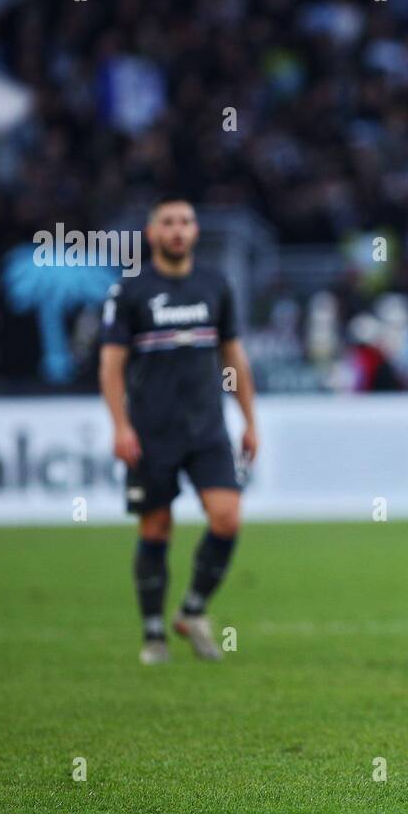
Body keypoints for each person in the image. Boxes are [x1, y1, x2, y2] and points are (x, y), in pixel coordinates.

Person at [99, 198, 258, 665]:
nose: (177, 230)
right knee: (157, 526)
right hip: (151, 432)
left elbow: (234, 357)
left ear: (194, 231)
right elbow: (110, 367)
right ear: (152, 233)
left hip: (208, 428)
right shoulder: (130, 292)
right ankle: (153, 635)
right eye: (168, 222)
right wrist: (120, 426)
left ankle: (191, 611)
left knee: (227, 517)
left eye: (186, 222)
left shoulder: (215, 284)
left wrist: (250, 419)